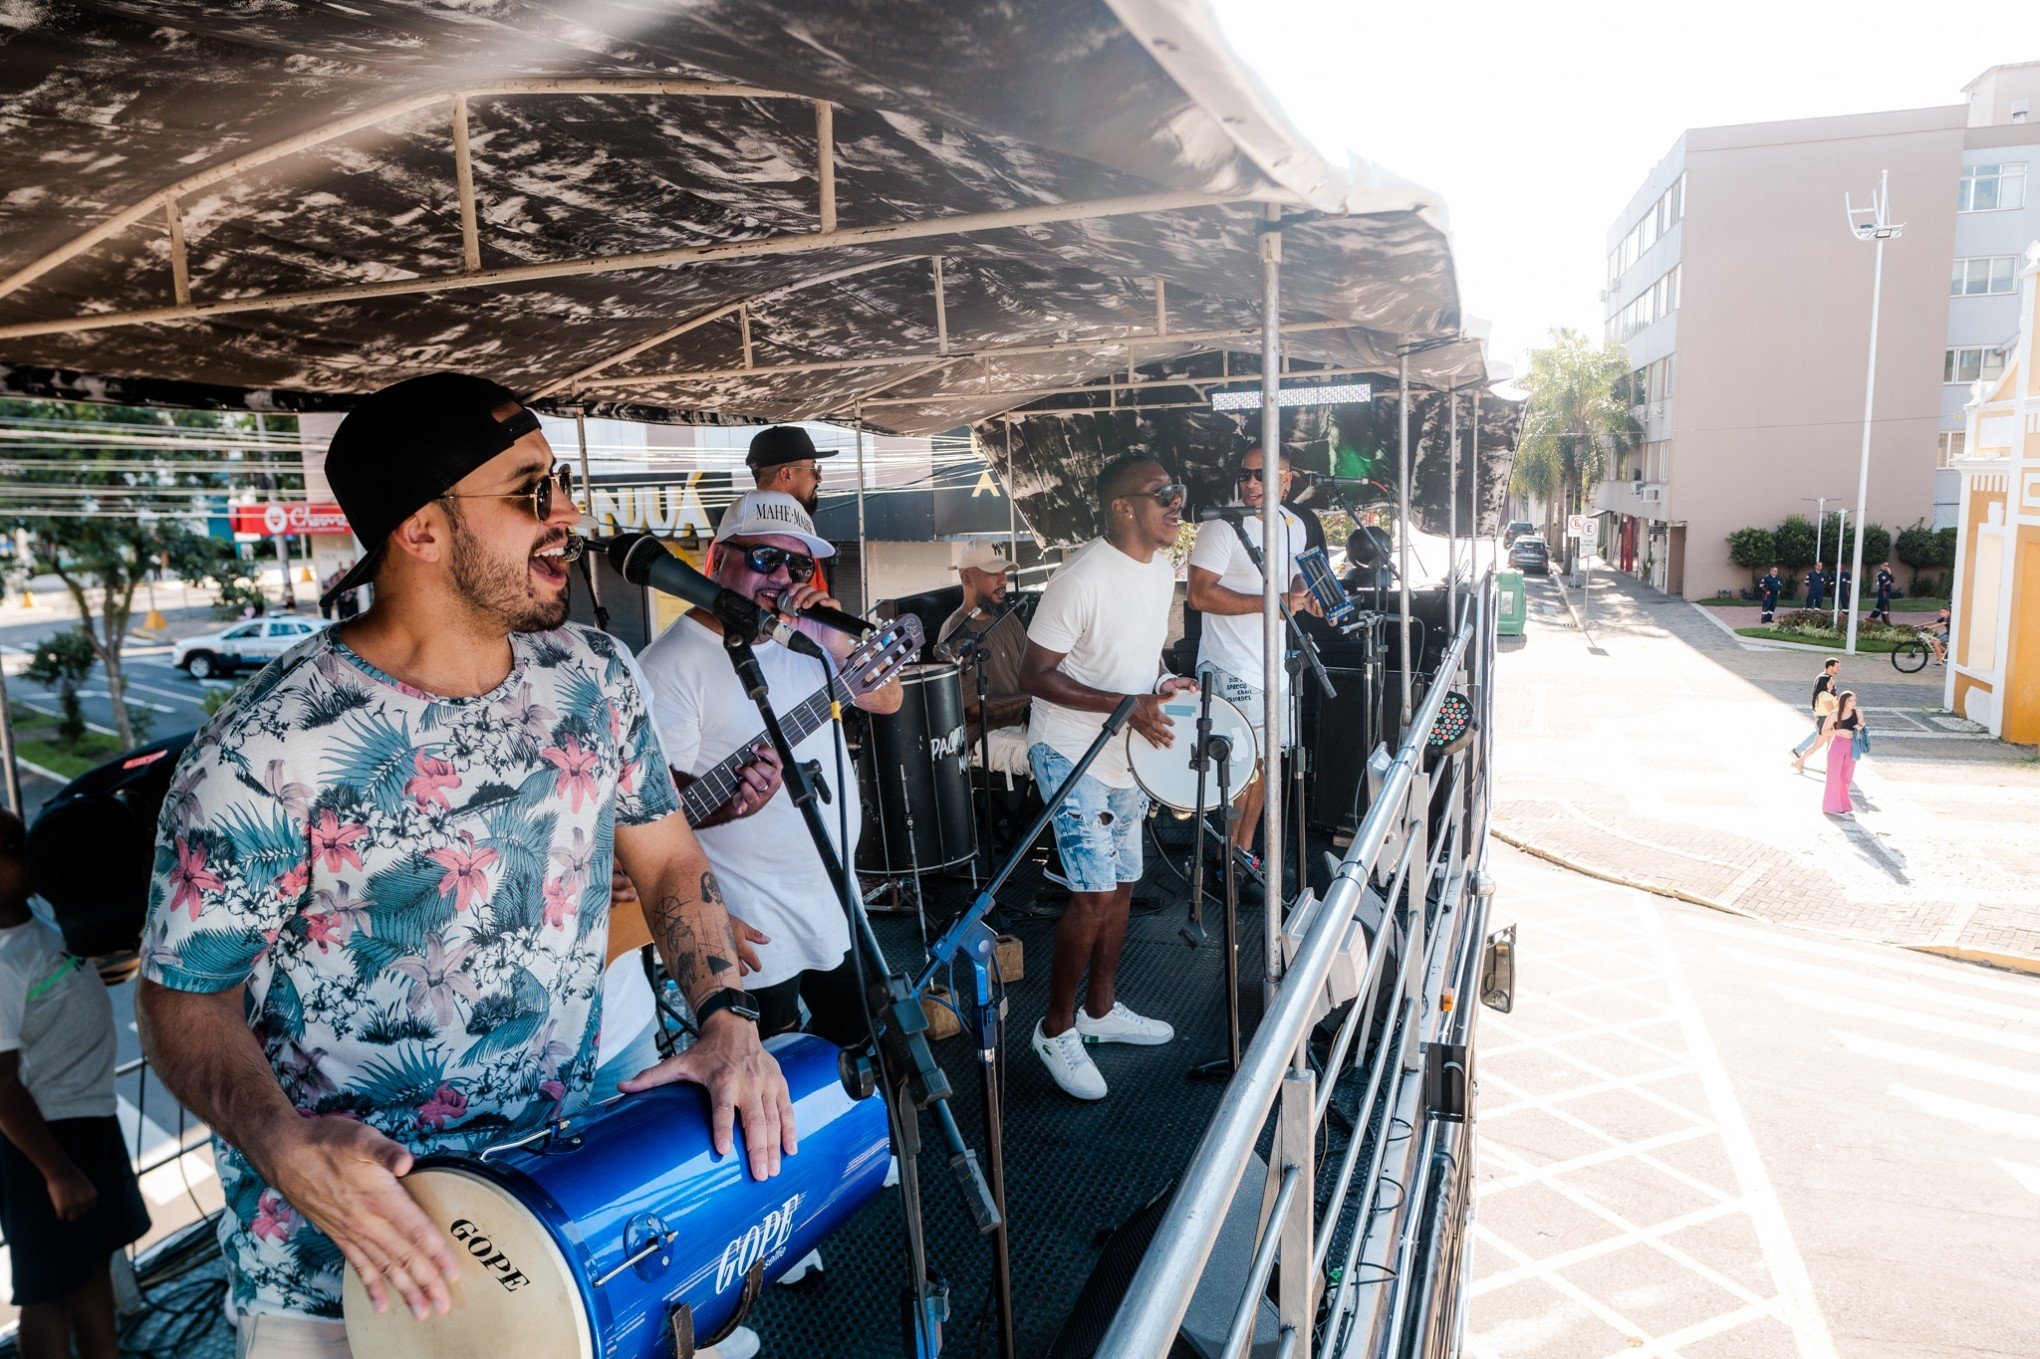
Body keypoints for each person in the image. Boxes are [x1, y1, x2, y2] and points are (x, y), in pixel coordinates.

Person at [134, 373, 791, 1359]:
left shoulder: (594, 676)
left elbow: (668, 861)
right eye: (531, 492)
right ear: (424, 531)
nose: (567, 514)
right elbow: (183, 999)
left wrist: (727, 1019)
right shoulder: (265, 750)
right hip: (349, 1272)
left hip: (567, 1215)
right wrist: (277, 1142)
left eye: (560, 484)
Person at [637, 490, 902, 1048]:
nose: (783, 575)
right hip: (751, 918)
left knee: (864, 1050)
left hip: (835, 898)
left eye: (800, 564)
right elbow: (657, 813)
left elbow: (888, 698)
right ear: (717, 560)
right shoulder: (670, 665)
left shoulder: (804, 640)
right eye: (764, 558)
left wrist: (834, 639)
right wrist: (708, 917)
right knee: (772, 1072)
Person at [1019, 456, 1193, 1100]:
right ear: (1123, 507)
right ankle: (1054, 1029)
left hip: (1125, 750)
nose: (1177, 503)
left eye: (1178, 492)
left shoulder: (1160, 570)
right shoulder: (1080, 576)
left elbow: (1135, 658)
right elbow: (1033, 676)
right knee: (1091, 893)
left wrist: (1160, 684)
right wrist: (1126, 706)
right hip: (1071, 752)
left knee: (1121, 886)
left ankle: (1099, 1012)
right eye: (1164, 494)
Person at [0, 811, 150, 1359]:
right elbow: (2, 1087)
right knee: (48, 1293)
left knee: (92, 1265)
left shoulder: (39, 918)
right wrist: (57, 1171)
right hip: (45, 1142)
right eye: (12, 846)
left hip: (88, 1119)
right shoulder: (3, 962)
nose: (28, 853)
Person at [1185, 445, 1320, 887]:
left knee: (1266, 766)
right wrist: (1271, 604)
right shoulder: (1221, 528)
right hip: (1231, 668)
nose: (1250, 484)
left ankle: (1240, 856)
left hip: (1274, 669)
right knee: (1239, 770)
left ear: (1287, 479)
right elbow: (1200, 594)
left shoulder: (1294, 525)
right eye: (1245, 475)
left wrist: (1306, 595)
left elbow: (1296, 576)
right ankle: (1222, 861)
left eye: (1261, 475)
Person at [937, 543, 1031, 777]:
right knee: (1052, 756)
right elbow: (972, 709)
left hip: (1019, 729)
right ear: (967, 577)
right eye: (993, 574)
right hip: (980, 740)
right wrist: (1034, 696)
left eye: (1004, 573)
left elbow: (1030, 676)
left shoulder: (1009, 620)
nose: (1003, 581)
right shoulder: (955, 632)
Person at [746, 425, 831, 514]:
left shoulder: (738, 520)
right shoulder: (789, 526)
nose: (819, 479)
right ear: (787, 475)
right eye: (812, 467)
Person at [1791, 658, 1841, 766]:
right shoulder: (1825, 680)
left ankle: (1799, 754)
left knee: (1819, 739)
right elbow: (1826, 700)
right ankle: (1799, 753)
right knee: (1822, 742)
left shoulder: (1821, 676)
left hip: (1820, 713)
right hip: (1824, 715)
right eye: (1836, 667)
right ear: (1830, 667)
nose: (1838, 669)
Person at [1822, 691, 1864, 815]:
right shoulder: (1835, 714)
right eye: (1850, 701)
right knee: (1833, 776)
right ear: (1843, 701)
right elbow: (1824, 731)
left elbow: (1862, 728)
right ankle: (1832, 806)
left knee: (1846, 778)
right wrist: (1839, 731)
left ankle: (1844, 804)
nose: (1853, 703)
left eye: (1854, 700)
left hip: (1852, 747)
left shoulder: (1858, 713)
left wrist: (1858, 728)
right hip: (1837, 746)